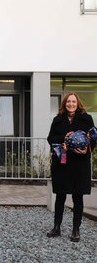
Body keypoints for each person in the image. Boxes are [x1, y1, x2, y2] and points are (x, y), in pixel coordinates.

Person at [46, 92, 95, 242]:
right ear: (64, 103)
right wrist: (65, 138)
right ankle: (56, 227)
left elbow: (94, 137)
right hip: (62, 162)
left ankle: (76, 230)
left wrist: (88, 149)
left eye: (73, 102)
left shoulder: (86, 118)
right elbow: (50, 138)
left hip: (79, 164)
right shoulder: (58, 119)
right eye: (68, 102)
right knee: (60, 196)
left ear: (77, 103)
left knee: (77, 197)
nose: (71, 104)